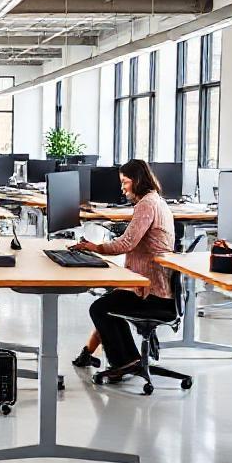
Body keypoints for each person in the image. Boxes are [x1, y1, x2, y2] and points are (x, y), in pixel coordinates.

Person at [73, 160, 176, 376]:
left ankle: (125, 361)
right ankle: (99, 355)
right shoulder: (156, 200)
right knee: (110, 303)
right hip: (157, 285)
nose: (122, 188)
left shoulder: (147, 205)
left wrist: (95, 247)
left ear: (137, 181)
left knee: (100, 308)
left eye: (125, 182)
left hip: (151, 291)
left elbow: (126, 243)